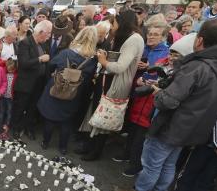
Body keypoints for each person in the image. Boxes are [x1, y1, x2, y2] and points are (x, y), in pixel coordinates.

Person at [113, 19, 217, 191]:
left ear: (200, 40)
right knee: (169, 163)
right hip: (192, 129)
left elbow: (168, 100)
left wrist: (158, 92)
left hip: (172, 125)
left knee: (152, 162)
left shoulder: (196, 67)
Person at [82, 10, 145, 161]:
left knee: (105, 118)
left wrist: (104, 61)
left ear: (123, 23)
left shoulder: (134, 40)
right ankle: (90, 146)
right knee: (98, 113)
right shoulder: (126, 37)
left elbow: (120, 67)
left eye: (114, 23)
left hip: (116, 85)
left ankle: (95, 151)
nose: (112, 26)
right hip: (108, 81)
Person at [115, 23, 172, 176]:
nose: (151, 36)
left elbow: (164, 75)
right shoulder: (144, 48)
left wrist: (148, 68)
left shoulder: (166, 54)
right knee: (132, 126)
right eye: (150, 33)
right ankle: (126, 154)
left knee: (142, 132)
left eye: (155, 34)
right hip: (137, 94)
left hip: (150, 99)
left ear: (163, 38)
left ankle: (135, 164)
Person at [37, 26, 98, 155]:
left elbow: (51, 65)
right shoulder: (92, 60)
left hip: (56, 88)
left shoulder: (66, 53)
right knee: (67, 121)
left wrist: (52, 78)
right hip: (74, 93)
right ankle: (63, 147)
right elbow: (88, 80)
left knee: (50, 118)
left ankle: (45, 142)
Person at [11, 20, 52, 140]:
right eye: (48, 33)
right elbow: (23, 63)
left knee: (32, 107)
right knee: (20, 107)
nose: (49, 36)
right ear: (40, 32)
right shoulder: (25, 43)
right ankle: (16, 128)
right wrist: (40, 59)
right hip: (26, 83)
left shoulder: (44, 44)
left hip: (38, 83)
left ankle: (28, 128)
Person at [0, 58, 17, 140]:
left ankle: (7, 125)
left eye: (12, 69)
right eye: (9, 69)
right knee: (2, 111)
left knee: (9, 112)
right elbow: (0, 64)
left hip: (10, 97)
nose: (10, 71)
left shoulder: (16, 75)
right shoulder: (4, 73)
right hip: (3, 96)